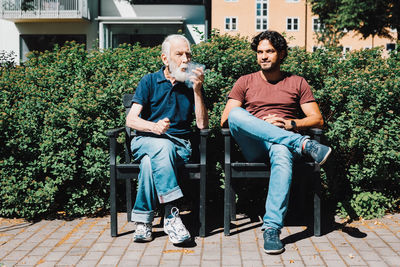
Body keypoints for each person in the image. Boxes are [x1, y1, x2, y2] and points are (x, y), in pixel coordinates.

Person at [220, 30, 331, 254]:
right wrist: (262, 124)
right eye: (260, 52)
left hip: (282, 143)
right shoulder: (245, 81)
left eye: (269, 51)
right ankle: (304, 145)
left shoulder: (297, 82)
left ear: (281, 54)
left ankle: (271, 228)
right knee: (236, 114)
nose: (263, 56)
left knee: (281, 150)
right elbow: (226, 120)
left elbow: (317, 119)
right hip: (254, 145)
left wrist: (289, 124)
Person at [126, 34, 208, 244]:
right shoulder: (150, 81)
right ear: (165, 59)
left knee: (148, 164)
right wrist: (153, 127)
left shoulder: (192, 85)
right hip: (146, 140)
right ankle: (172, 215)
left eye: (188, 55)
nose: (185, 60)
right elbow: (131, 119)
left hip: (179, 147)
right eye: (179, 54)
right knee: (161, 146)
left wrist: (198, 91)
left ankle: (143, 222)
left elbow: (202, 125)